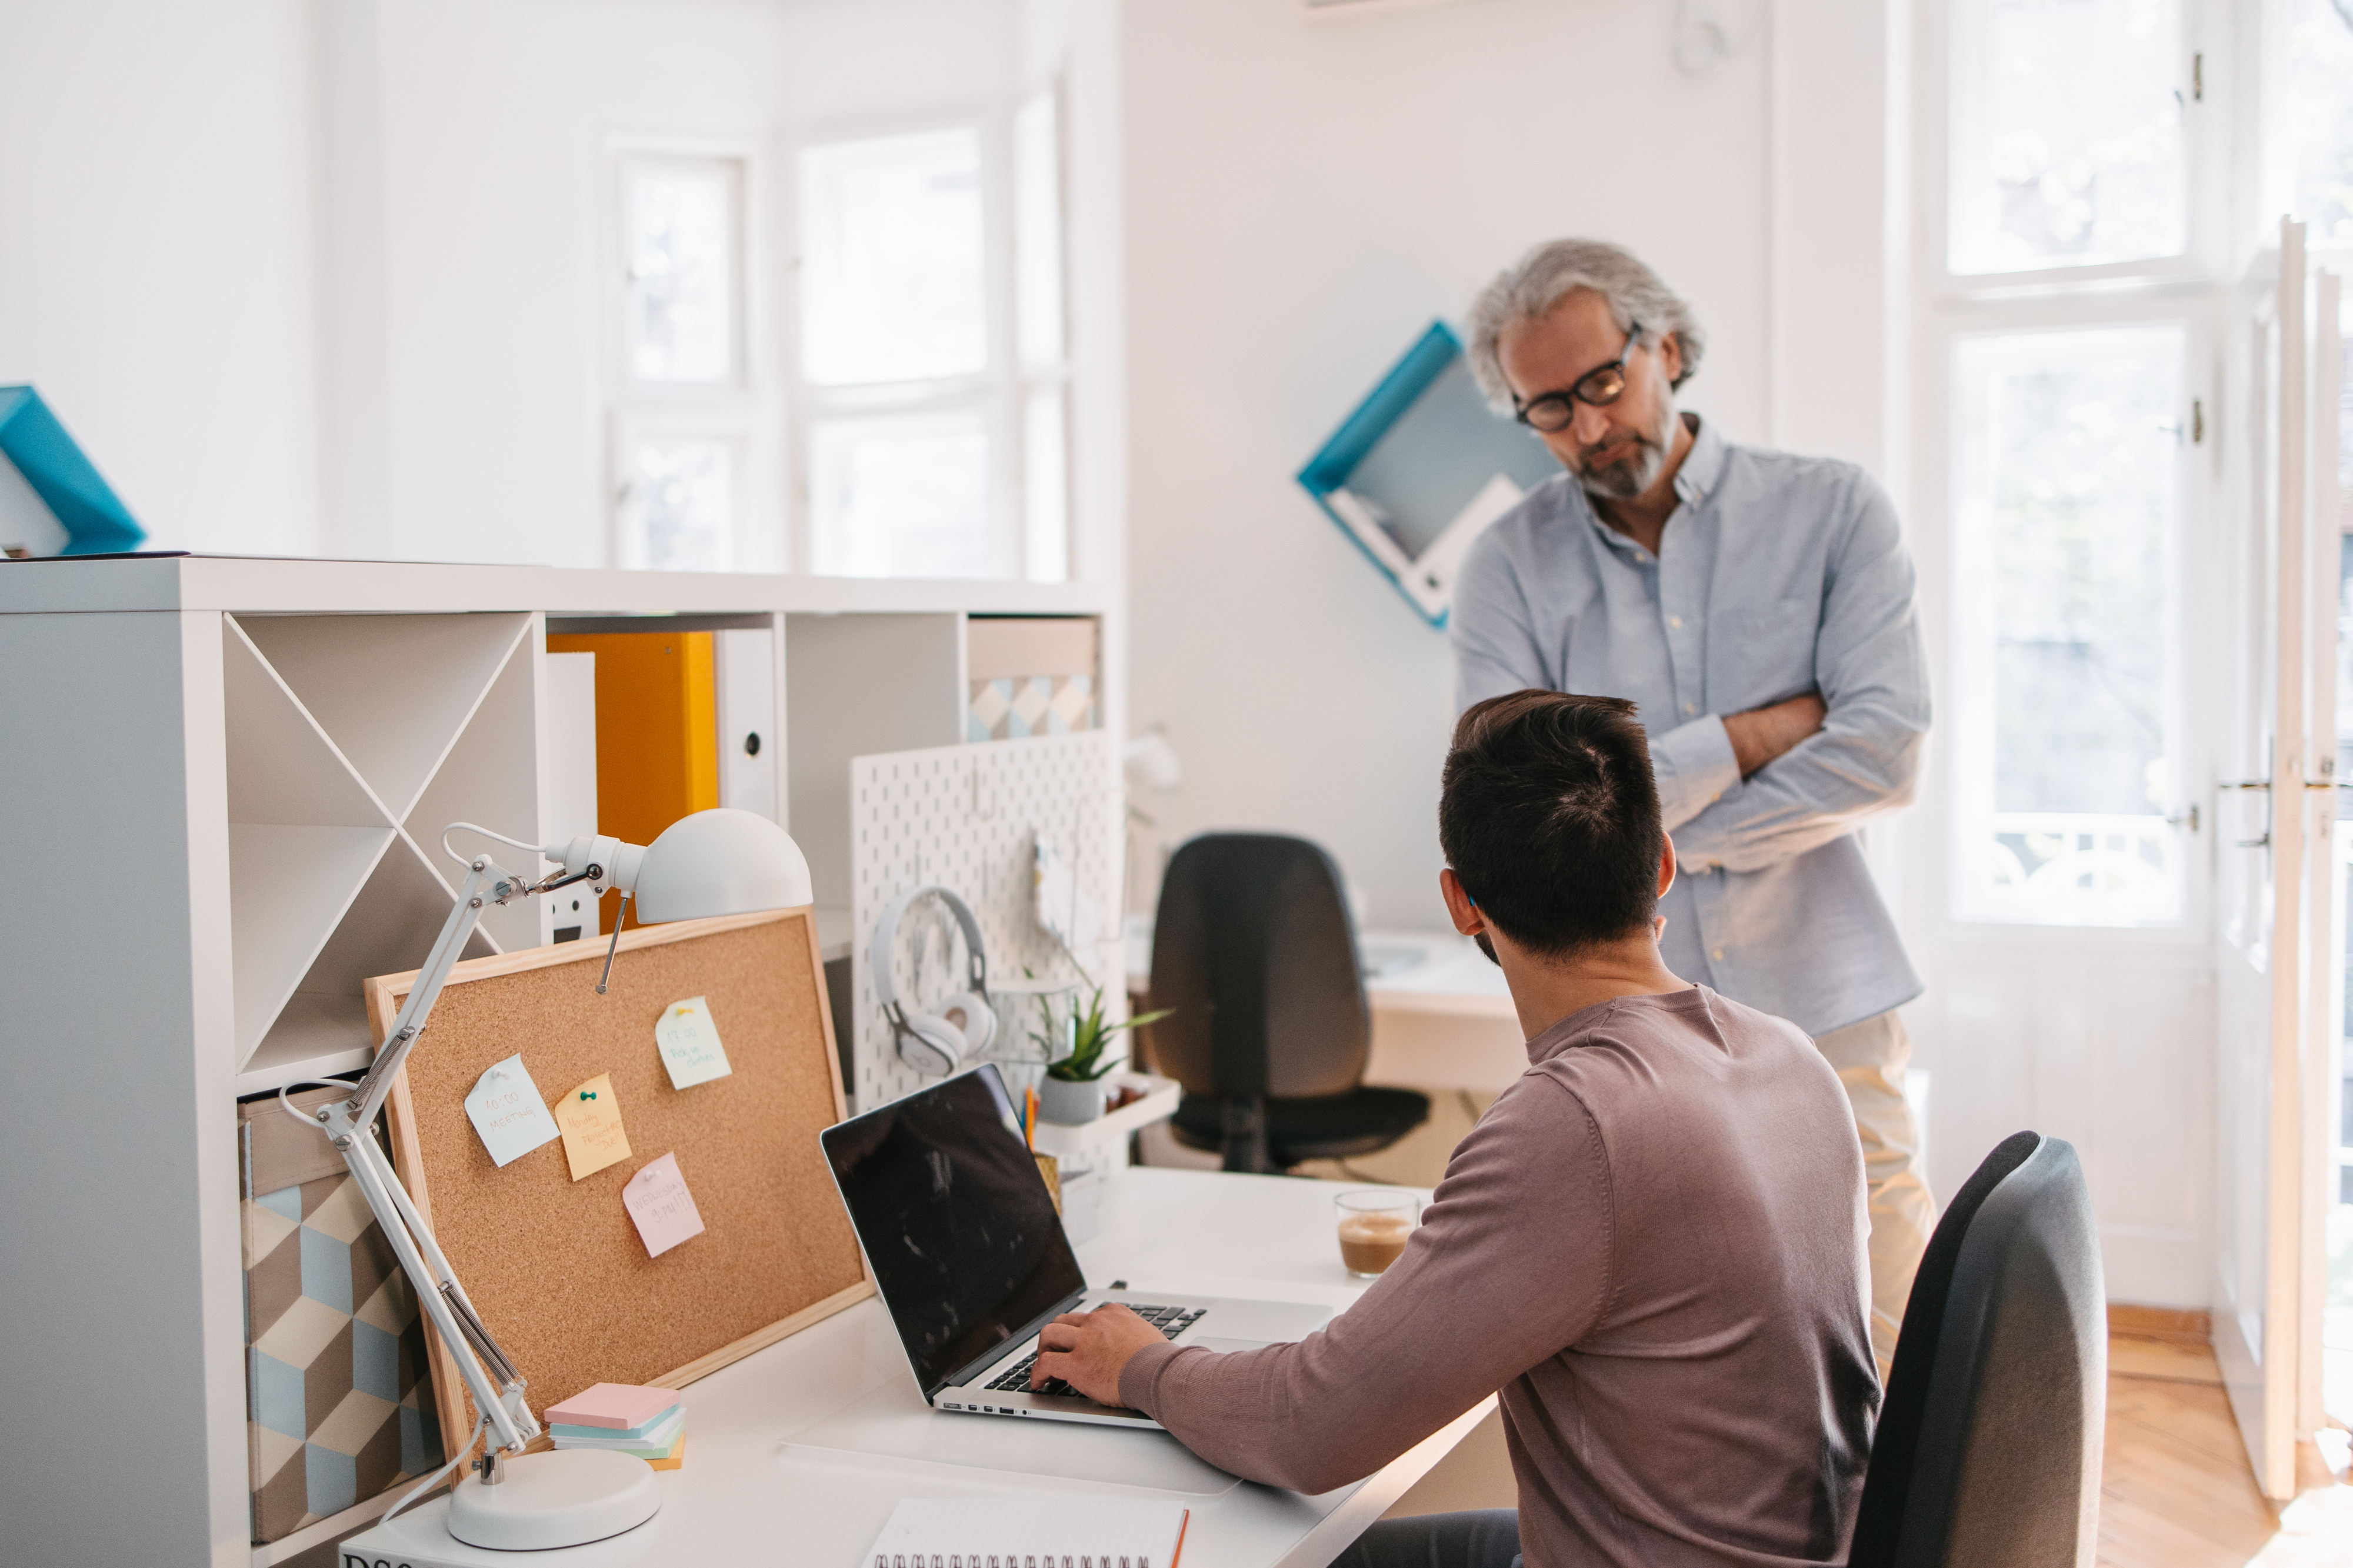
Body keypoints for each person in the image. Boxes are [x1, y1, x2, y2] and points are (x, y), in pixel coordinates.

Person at [1037, 692, 1877, 1568]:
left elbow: (1308, 1430)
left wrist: (1141, 1365)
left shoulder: (1577, 1121)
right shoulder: (1792, 1057)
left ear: (1461, 902)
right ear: (1662, 864)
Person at [1449, 239, 1934, 1378]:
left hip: (1824, 991)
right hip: (1617, 1027)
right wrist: (1749, 732)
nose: (1583, 428)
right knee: (1667, 1332)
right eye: (1547, 409)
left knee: (1886, 1312)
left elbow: (1881, 752)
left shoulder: (1831, 512)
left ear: (1663, 346)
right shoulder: (1505, 568)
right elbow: (1517, 808)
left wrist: (1640, 840)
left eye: (1602, 385)